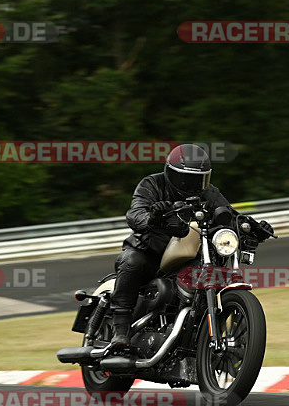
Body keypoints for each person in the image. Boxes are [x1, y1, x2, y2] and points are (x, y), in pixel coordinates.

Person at [110, 143, 274, 347]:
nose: (192, 185)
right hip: (151, 250)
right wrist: (153, 218)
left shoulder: (208, 192)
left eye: (199, 180)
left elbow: (227, 214)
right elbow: (135, 214)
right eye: (186, 180)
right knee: (132, 261)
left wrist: (252, 227)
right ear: (171, 173)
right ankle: (120, 329)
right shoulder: (152, 184)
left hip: (189, 252)